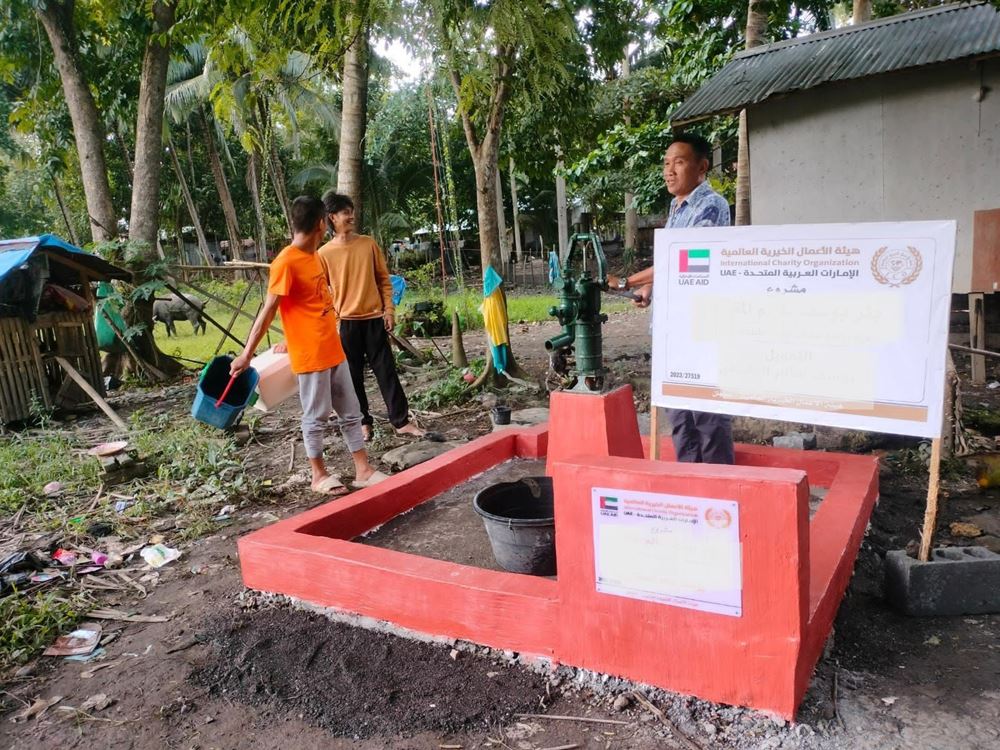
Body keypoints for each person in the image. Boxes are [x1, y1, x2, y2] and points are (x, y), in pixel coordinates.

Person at [230, 195, 388, 494]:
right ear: (321, 223)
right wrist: (245, 355)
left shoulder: (315, 255)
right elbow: (268, 311)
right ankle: (318, 475)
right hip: (310, 356)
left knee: (351, 412)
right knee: (315, 417)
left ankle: (363, 469)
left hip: (334, 349)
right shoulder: (285, 263)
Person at [608, 134, 735, 465]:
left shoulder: (711, 205)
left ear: (702, 167)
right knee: (679, 416)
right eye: (666, 163)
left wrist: (626, 281)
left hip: (700, 327)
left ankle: (717, 490)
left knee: (706, 414)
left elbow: (684, 259)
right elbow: (671, 266)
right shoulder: (677, 206)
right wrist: (649, 289)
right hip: (671, 329)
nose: (669, 170)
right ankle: (689, 482)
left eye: (678, 162)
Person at [318, 191, 424, 441]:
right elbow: (322, 293)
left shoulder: (368, 244)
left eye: (351, 211)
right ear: (332, 217)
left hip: (374, 320)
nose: (351, 215)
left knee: (387, 372)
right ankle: (363, 423)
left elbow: (384, 281)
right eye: (345, 212)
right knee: (352, 378)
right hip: (347, 325)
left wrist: (389, 310)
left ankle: (401, 421)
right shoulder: (323, 254)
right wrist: (334, 321)